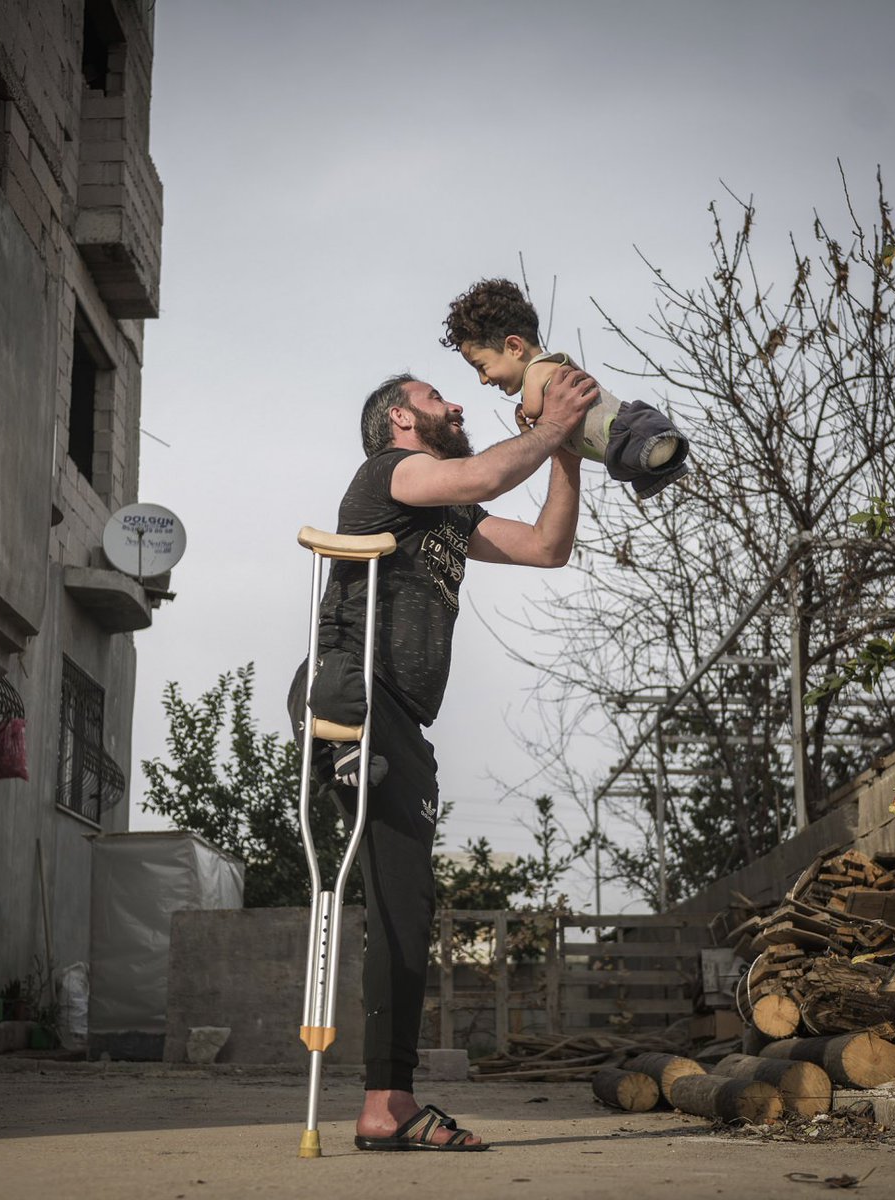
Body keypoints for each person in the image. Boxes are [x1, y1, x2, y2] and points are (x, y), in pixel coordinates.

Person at [288, 364, 596, 1151]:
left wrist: (567, 455)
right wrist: (549, 425)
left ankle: (385, 1106)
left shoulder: (450, 510)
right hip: (352, 688)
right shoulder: (392, 472)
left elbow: (545, 546)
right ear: (399, 419)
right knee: (393, 892)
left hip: (402, 725)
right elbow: (490, 467)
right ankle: (347, 754)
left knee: (405, 908)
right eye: (435, 398)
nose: (454, 402)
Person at [441, 277, 690, 499]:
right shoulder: (556, 367)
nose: (483, 379)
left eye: (482, 366)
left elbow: (534, 410)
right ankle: (661, 461)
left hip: (621, 429)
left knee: (635, 444)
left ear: (514, 347)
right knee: (642, 461)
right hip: (616, 442)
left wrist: (525, 418)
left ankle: (657, 450)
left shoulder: (538, 370)